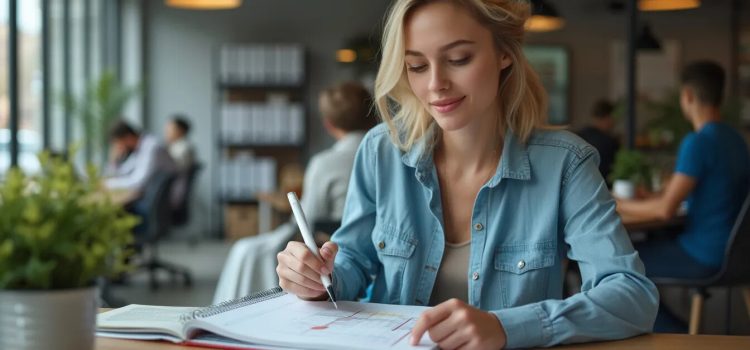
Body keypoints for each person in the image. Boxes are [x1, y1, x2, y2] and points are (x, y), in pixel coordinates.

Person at [275, 1, 658, 349]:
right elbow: (353, 260)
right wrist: (316, 279)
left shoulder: (565, 164)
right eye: (417, 66)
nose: (435, 84)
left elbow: (632, 296)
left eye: (458, 59)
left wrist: (506, 328)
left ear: (504, 53)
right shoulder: (381, 150)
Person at [213, 81, 377, 303]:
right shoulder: (389, 155)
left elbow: (306, 219)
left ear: (328, 125)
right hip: (356, 257)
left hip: (329, 248)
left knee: (247, 250)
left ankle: (237, 310)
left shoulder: (326, 162)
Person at [616, 61, 750, 332]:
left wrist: (616, 203)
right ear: (720, 96)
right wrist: (652, 196)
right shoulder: (736, 140)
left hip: (705, 255)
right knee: (650, 245)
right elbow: (697, 191)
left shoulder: (699, 142)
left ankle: (676, 333)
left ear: (687, 96)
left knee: (622, 264)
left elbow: (664, 210)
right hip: (739, 255)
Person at [105, 120, 176, 194]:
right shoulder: (139, 148)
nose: (117, 147)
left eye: (118, 143)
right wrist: (113, 160)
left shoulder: (151, 147)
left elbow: (139, 183)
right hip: (152, 194)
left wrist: (108, 185)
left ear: (128, 138)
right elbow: (123, 172)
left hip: (167, 196)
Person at [577, 99, 620, 181]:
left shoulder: (579, 136)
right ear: (608, 117)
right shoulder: (609, 142)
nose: (614, 122)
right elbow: (613, 173)